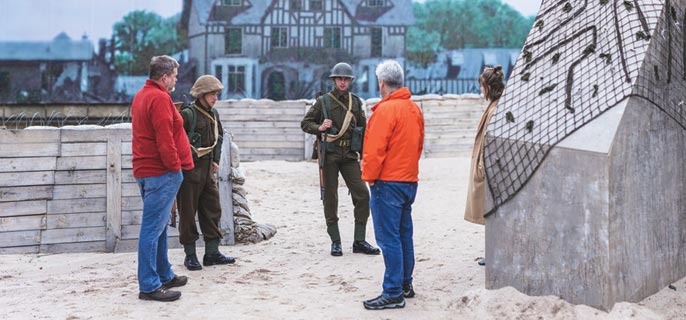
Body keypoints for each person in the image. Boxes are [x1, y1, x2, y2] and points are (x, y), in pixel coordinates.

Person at [361, 60, 425, 310]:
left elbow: (374, 151)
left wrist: (370, 177)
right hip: (408, 180)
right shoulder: (414, 109)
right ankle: (405, 283)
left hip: (387, 181)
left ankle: (393, 291)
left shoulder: (385, 112)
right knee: (403, 234)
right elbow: (419, 146)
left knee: (388, 239)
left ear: (382, 83)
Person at [131, 55, 194, 302]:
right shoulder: (158, 98)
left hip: (147, 171)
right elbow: (165, 139)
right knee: (152, 229)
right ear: (164, 76)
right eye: (175, 76)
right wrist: (175, 167)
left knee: (158, 227)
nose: (176, 80)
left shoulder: (142, 95)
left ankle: (163, 274)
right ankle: (148, 285)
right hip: (160, 172)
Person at [301, 62, 380, 257]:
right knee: (331, 197)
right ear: (334, 80)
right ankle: (335, 241)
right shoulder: (323, 102)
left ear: (350, 81)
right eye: (339, 79)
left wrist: (364, 156)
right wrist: (319, 127)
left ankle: (359, 241)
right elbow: (305, 123)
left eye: (346, 79)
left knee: (362, 195)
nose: (342, 82)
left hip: (350, 156)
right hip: (330, 154)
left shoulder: (355, 102)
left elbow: (363, 130)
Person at [177, 75, 235, 270]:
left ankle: (212, 252)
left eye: (216, 94)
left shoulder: (214, 114)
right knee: (187, 213)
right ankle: (190, 255)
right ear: (201, 95)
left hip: (207, 170)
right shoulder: (188, 114)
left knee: (212, 210)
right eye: (212, 94)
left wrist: (216, 160)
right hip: (190, 171)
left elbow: (219, 138)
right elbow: (177, 140)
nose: (215, 98)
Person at [464, 66, 504, 266]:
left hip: (490, 169)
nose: (480, 89)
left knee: (492, 212)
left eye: (482, 86)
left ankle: (495, 253)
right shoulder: (495, 106)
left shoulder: (495, 109)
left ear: (488, 87)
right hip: (488, 167)